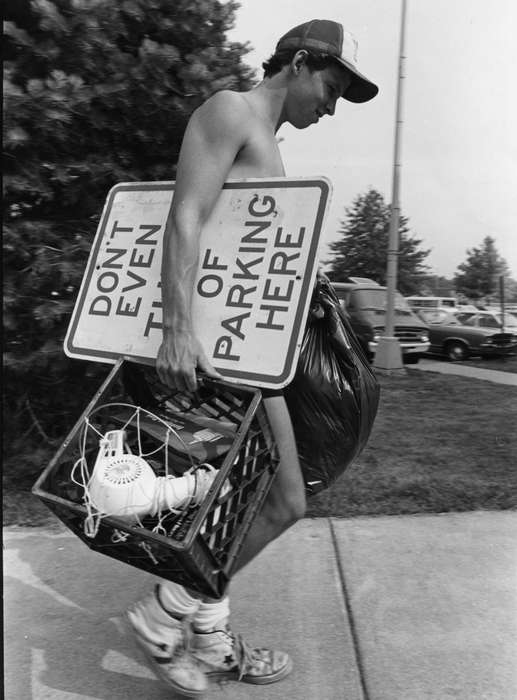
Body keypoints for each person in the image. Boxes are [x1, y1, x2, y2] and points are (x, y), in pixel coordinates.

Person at [127, 18, 378, 697]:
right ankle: (166, 612)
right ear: (297, 64)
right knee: (285, 500)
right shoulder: (230, 110)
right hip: (223, 353)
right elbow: (184, 215)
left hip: (254, 352)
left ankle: (207, 641)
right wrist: (178, 328)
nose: (329, 107)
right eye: (331, 88)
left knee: (238, 498)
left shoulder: (264, 138)